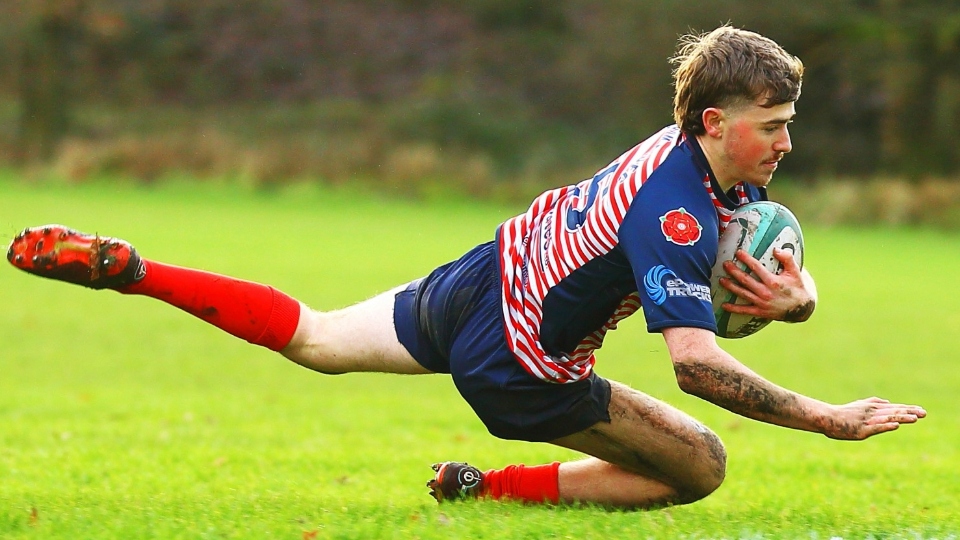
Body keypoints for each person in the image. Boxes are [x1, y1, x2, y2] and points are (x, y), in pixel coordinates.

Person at [6, 25, 925, 510]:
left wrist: (792, 306)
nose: (787, 142)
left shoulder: (683, 154)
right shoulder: (679, 211)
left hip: (483, 275)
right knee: (699, 470)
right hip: (523, 364)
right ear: (717, 123)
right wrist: (826, 418)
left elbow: (724, 291)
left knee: (317, 338)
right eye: (773, 126)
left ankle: (135, 270)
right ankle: (488, 485)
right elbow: (695, 357)